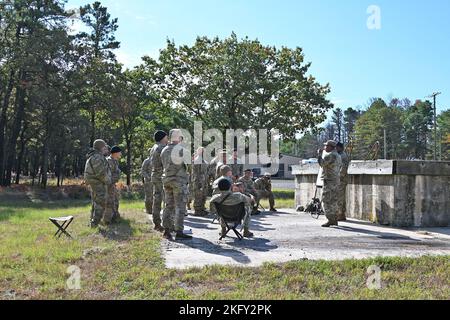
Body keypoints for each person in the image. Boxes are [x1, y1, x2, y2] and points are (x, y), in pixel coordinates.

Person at [160, 129, 192, 241]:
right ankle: (179, 231)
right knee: (180, 207)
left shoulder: (164, 150)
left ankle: (166, 231)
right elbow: (189, 165)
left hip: (167, 180)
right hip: (179, 181)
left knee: (168, 206)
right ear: (178, 137)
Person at [84, 139, 112, 227]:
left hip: (96, 182)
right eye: (104, 147)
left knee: (96, 202)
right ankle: (95, 223)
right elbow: (101, 173)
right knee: (100, 202)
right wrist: (108, 181)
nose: (106, 149)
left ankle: (93, 221)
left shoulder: (96, 156)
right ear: (100, 148)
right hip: (97, 183)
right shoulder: (97, 157)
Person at [317, 140, 342, 228]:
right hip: (335, 180)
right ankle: (334, 219)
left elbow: (322, 164)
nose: (325, 148)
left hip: (330, 180)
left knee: (327, 200)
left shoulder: (330, 155)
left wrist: (319, 154)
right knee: (334, 200)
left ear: (331, 147)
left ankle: (330, 219)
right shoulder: (338, 155)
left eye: (326, 146)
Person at [149, 130, 169, 233]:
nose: (167, 138)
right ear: (162, 138)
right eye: (166, 137)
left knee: (156, 199)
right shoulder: (161, 148)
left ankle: (156, 223)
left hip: (155, 175)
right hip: (161, 176)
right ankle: (165, 224)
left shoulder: (153, 147)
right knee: (165, 200)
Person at [191, 147, 210, 216]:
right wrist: (199, 182)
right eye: (201, 151)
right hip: (198, 181)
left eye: (203, 151)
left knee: (203, 195)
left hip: (204, 181)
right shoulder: (197, 160)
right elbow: (197, 173)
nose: (202, 152)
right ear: (198, 152)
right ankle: (197, 211)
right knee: (198, 196)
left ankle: (202, 209)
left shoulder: (203, 160)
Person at [107, 146, 122, 222]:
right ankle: (108, 219)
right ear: (115, 153)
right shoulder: (109, 161)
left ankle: (115, 216)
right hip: (109, 184)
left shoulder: (115, 160)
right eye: (119, 152)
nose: (121, 154)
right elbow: (108, 175)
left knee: (116, 200)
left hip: (113, 184)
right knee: (110, 201)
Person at [336, 142, 350, 222]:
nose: (336, 149)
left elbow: (343, 168)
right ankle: (342, 214)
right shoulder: (339, 155)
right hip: (341, 179)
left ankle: (339, 214)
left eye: (337, 147)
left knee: (339, 198)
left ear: (340, 148)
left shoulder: (343, 156)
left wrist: (339, 177)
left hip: (341, 179)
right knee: (341, 197)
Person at [141, 149, 153, 216]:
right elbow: (143, 171)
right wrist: (148, 177)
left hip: (155, 181)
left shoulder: (156, 160)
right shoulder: (147, 161)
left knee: (155, 196)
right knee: (148, 196)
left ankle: (153, 209)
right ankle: (148, 209)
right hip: (148, 182)